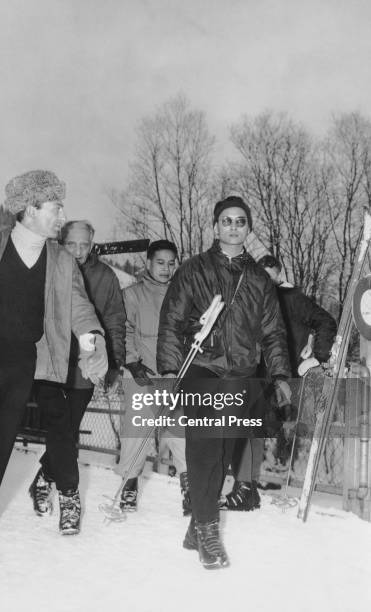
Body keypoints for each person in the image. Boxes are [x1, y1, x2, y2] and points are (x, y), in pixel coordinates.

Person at [0, 170, 108, 584]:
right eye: (55, 206)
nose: (61, 215)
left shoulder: (62, 261)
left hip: (21, 367)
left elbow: (80, 308)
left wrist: (92, 342)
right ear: (30, 209)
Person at [157, 195, 291, 569]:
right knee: (204, 450)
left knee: (225, 453)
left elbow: (273, 333)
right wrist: (169, 372)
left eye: (241, 221)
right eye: (227, 221)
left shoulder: (260, 280)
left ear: (248, 229)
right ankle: (208, 531)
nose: (233, 227)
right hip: (202, 369)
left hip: (242, 375)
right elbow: (171, 322)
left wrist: (279, 374)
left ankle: (196, 527)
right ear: (216, 227)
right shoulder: (193, 270)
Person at [29, 219, 126, 534]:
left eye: (85, 244)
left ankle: (44, 475)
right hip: (50, 362)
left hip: (86, 366)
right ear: (61, 241)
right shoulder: (45, 268)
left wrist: (114, 362)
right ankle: (70, 497)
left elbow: (114, 320)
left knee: (67, 430)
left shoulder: (106, 277)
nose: (79, 251)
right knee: (60, 426)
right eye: (72, 244)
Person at [221, 254, 338, 510]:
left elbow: (327, 321)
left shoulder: (292, 299)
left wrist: (317, 356)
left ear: (279, 276)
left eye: (271, 279)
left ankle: (251, 488)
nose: (266, 285)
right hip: (255, 377)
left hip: (283, 381)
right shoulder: (253, 300)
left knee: (266, 434)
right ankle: (246, 489)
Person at [117, 240, 191, 515]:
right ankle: (129, 484)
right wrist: (132, 361)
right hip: (142, 372)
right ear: (148, 263)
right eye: (160, 262)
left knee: (179, 432)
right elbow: (122, 330)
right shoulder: (133, 295)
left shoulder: (182, 295)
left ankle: (189, 487)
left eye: (171, 263)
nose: (166, 268)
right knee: (136, 432)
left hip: (171, 374)